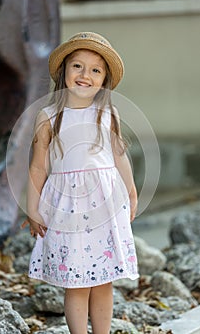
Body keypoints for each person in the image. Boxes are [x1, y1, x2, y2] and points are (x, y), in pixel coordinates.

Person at [22, 32, 139, 334]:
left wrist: (131, 191)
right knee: (76, 282)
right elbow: (37, 166)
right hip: (67, 207)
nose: (85, 75)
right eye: (78, 66)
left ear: (104, 81)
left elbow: (119, 156)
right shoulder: (48, 116)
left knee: (102, 279)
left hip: (105, 204)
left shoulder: (107, 112)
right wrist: (33, 208)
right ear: (64, 71)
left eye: (95, 69)